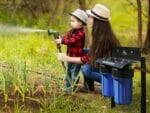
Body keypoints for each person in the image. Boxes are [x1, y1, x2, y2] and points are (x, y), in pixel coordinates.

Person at [58, 4, 120, 92]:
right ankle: (88, 86)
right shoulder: (99, 33)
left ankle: (111, 81)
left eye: (91, 17)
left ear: (97, 21)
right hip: (103, 62)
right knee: (82, 51)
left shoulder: (103, 39)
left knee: (86, 69)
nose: (88, 19)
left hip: (109, 70)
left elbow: (86, 59)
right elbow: (92, 54)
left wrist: (68, 58)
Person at [55, 9, 88, 92]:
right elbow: (67, 37)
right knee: (68, 71)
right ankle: (68, 86)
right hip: (69, 56)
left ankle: (73, 87)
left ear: (80, 23)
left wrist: (62, 41)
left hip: (76, 59)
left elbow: (72, 40)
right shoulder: (71, 31)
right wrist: (61, 38)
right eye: (71, 21)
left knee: (74, 73)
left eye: (73, 21)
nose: (71, 22)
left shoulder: (81, 33)